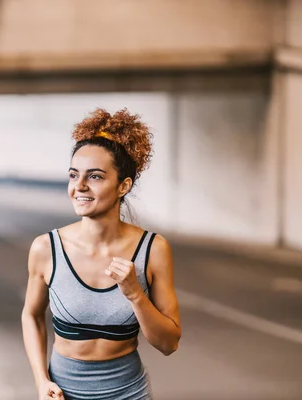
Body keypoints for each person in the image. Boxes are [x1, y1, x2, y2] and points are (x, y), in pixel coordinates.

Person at [21, 108, 181, 400]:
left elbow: (168, 343)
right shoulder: (46, 248)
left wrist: (135, 294)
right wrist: (41, 381)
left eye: (94, 177)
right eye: (73, 175)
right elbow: (32, 316)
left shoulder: (153, 250)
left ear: (123, 186)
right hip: (63, 394)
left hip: (129, 393)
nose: (79, 187)